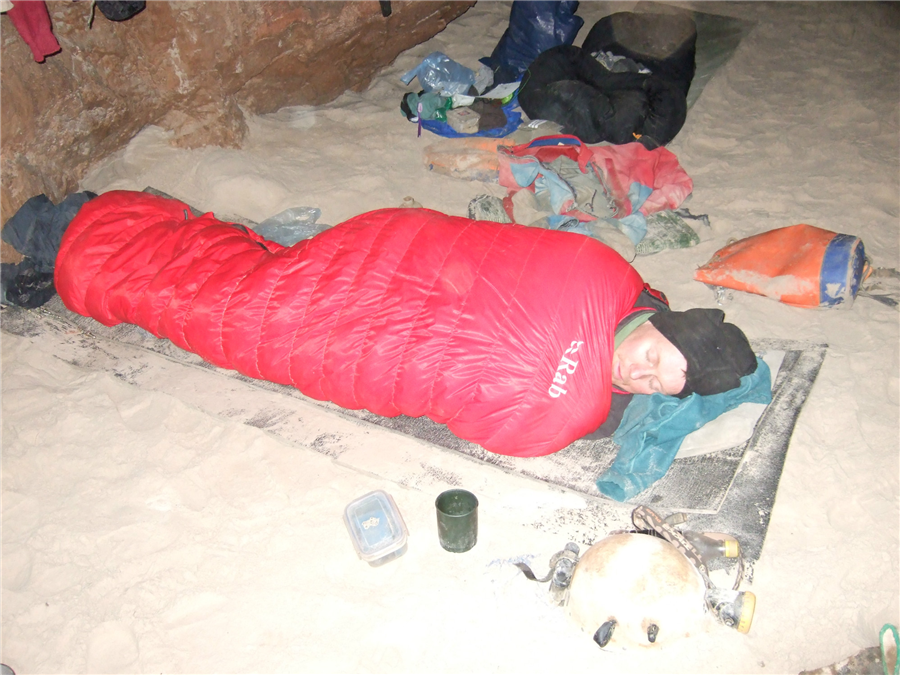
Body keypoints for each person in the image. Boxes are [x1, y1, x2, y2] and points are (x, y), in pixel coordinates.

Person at [44, 190, 757, 457]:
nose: (641, 373)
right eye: (658, 357)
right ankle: (73, 233)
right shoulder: (596, 283)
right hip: (395, 261)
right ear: (664, 323)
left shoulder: (612, 282)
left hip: (381, 288)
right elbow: (516, 428)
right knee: (236, 306)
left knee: (253, 292)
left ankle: (101, 222)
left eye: (659, 386)